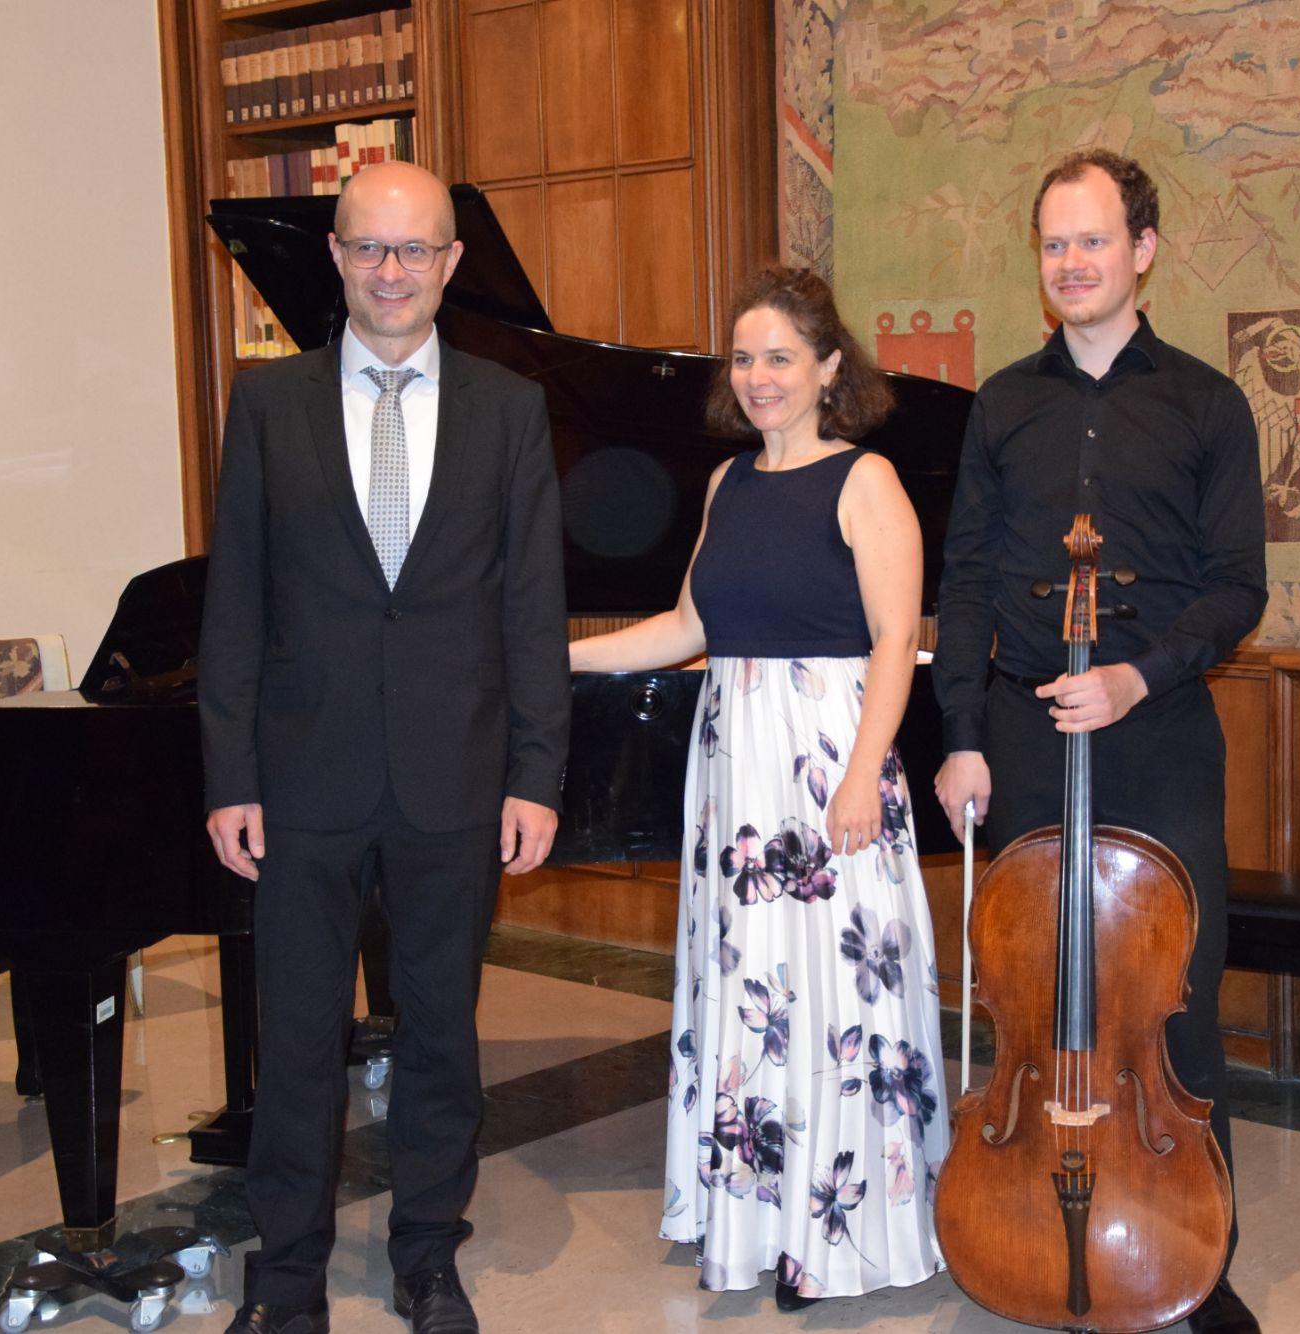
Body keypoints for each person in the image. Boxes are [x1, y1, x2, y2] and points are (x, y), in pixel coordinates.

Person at [199, 160, 570, 1334]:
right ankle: (287, 1274)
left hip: (453, 776)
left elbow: (531, 609)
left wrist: (536, 774)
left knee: (439, 1039)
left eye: (414, 249)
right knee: (297, 1042)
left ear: (451, 262)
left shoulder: (508, 408)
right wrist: (229, 775)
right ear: (337, 256)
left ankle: (426, 1258)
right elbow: (234, 605)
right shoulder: (269, 404)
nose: (392, 270)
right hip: (302, 779)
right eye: (369, 246)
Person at [931, 148, 1268, 1334]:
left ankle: (1199, 1262)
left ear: (1142, 249)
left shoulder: (1205, 404)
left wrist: (1134, 673)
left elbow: (1235, 586)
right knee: (1033, 1002)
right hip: (1023, 734)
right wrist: (960, 733)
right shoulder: (1001, 406)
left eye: (1091, 239)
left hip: (1157, 731)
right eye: (1053, 242)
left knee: (1170, 1007)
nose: (1070, 261)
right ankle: (1035, 1225)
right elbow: (965, 578)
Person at [570, 268, 947, 1310]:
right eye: (743, 358)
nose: (758, 376)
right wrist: (560, 657)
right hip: (736, 770)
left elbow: (895, 638)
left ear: (829, 367)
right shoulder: (726, 483)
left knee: (835, 1001)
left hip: (830, 763)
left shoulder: (865, 479)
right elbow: (687, 627)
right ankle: (757, 1225)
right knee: (756, 995)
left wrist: (863, 773)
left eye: (780, 356)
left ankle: (838, 1232)